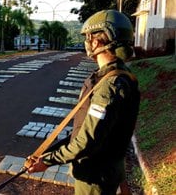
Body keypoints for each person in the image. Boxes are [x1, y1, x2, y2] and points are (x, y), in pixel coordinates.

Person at [24, 10, 140, 195]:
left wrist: (48, 161)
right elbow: (87, 131)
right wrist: (46, 153)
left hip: (94, 177)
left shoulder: (109, 85)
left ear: (96, 41)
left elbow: (86, 142)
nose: (87, 42)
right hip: (107, 171)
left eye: (88, 37)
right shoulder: (120, 76)